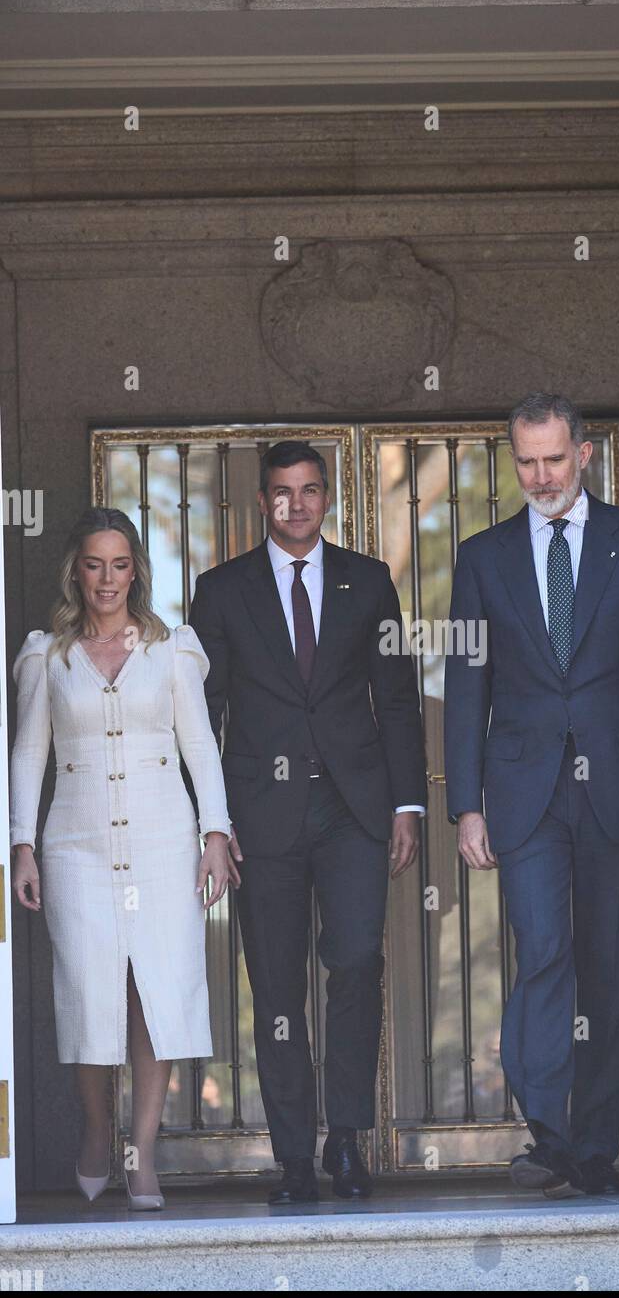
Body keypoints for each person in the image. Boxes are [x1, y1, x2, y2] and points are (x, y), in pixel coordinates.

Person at [444, 392, 619, 1197]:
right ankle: (549, 1126)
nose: (541, 475)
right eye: (526, 462)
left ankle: (592, 1149)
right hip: (524, 793)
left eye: (554, 459)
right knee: (544, 949)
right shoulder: (482, 557)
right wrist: (466, 803)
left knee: (613, 966)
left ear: (584, 454)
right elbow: (465, 683)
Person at [188, 441, 427, 1204]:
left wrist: (406, 803)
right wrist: (213, 825)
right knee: (278, 985)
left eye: (310, 491)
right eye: (282, 493)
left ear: (329, 499)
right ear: (262, 501)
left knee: (356, 961)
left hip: (352, 807)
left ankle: (347, 1140)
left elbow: (396, 698)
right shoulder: (221, 591)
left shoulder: (370, 581)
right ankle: (294, 1154)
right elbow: (205, 715)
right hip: (264, 816)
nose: (297, 505)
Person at [10, 508, 231, 1211]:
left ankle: (142, 1152)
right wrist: (21, 843)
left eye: (120, 563)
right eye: (94, 564)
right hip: (75, 846)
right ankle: (96, 1129)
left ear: (137, 570)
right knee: (88, 990)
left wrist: (216, 835)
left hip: (165, 843)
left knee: (154, 994)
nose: (107, 578)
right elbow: (26, 756)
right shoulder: (48, 654)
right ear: (77, 569)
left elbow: (200, 746)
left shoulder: (172, 648)